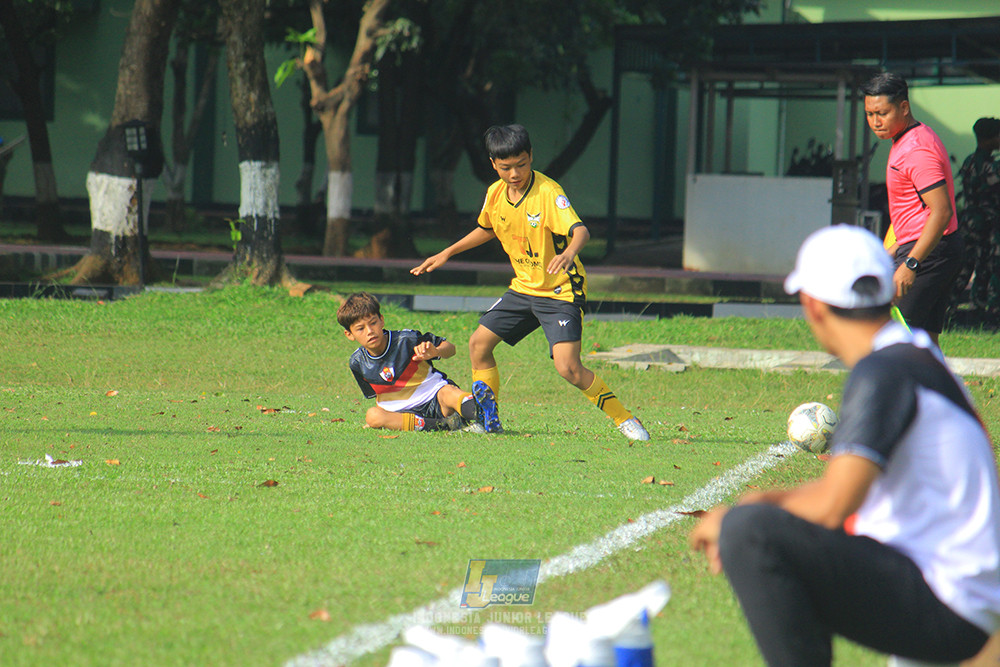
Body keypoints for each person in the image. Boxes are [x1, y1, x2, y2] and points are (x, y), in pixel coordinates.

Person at [689, 224, 1000, 666]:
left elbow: (836, 502)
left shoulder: (883, 372)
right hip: (960, 593)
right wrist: (765, 501)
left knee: (748, 533)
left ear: (812, 305)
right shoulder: (917, 354)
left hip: (947, 603)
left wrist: (743, 515)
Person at [410, 124, 649, 441]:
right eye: (506, 167)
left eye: (521, 164)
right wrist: (447, 252)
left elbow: (581, 232)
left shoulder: (548, 193)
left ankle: (625, 419)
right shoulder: (495, 193)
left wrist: (569, 254)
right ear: (494, 164)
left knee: (569, 368)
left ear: (531, 157)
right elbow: (487, 228)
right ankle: (487, 420)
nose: (514, 173)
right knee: (478, 344)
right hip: (523, 288)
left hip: (561, 290)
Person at [862, 72, 965, 346]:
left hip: (929, 252)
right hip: (931, 248)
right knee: (924, 343)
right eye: (869, 114)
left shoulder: (917, 150)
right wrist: (893, 249)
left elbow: (941, 212)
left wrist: (911, 263)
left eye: (882, 113)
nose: (875, 122)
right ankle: (941, 388)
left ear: (904, 107)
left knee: (888, 335)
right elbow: (912, 207)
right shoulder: (906, 139)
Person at [337, 291, 498, 433]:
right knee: (372, 415)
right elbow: (379, 397)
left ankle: (483, 416)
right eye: (360, 328)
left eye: (373, 323)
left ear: (382, 320)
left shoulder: (407, 340)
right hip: (402, 415)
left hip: (435, 398)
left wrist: (435, 351)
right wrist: (380, 420)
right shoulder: (357, 362)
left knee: (449, 392)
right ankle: (443, 425)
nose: (370, 331)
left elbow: (451, 349)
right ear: (349, 334)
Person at [951, 117, 1000, 326]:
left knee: (963, 267)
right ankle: (982, 314)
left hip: (969, 221)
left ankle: (948, 309)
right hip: (987, 224)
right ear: (990, 139)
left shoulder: (970, 160)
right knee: (987, 267)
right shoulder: (990, 166)